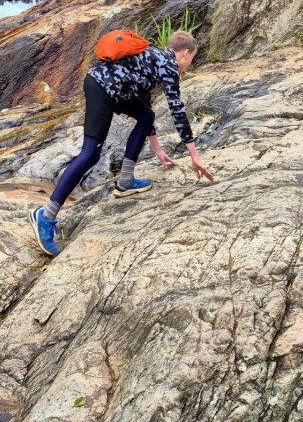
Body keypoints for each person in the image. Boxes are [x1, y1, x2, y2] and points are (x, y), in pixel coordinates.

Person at [30, 30, 214, 257]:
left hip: (109, 87)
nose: (189, 64)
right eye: (192, 58)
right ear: (185, 53)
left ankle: (126, 180)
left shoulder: (154, 58)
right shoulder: (168, 66)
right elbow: (177, 110)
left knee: (146, 116)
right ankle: (46, 217)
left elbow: (145, 105)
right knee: (90, 154)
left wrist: (157, 149)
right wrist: (195, 156)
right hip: (103, 89)